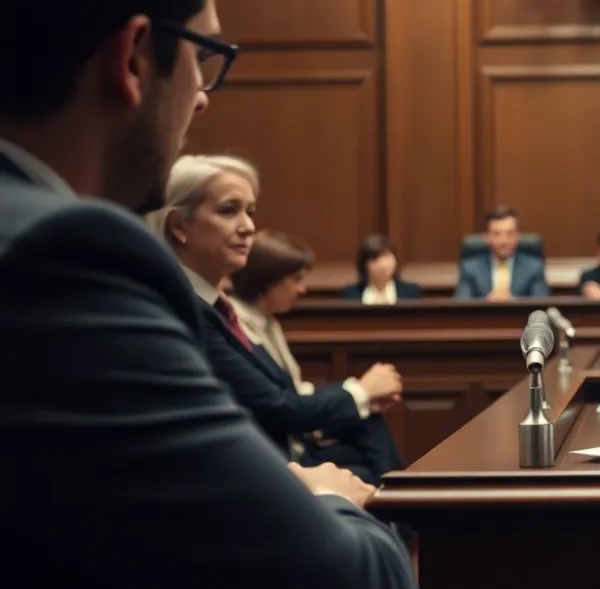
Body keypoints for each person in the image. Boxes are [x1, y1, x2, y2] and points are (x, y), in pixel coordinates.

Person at [0, 0, 418, 589]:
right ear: (134, 58)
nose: (200, 94)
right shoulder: (60, 262)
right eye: (204, 56)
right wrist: (326, 501)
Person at [151, 155, 405, 483]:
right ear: (179, 226)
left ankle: (403, 517)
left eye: (250, 212)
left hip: (274, 462)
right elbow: (275, 407)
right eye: (229, 210)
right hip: (252, 480)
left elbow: (279, 389)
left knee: (369, 441)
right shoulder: (185, 309)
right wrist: (360, 391)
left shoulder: (215, 306)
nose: (249, 227)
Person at [230, 230, 405, 476]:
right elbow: (283, 405)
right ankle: (398, 503)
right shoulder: (239, 326)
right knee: (365, 473)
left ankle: (398, 499)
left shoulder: (267, 321)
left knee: (370, 420)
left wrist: (363, 394)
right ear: (269, 281)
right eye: (297, 279)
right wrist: (361, 391)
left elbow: (295, 389)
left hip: (299, 435)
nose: (303, 289)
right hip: (278, 454)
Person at [455, 205, 549, 299]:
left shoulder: (533, 267)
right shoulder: (470, 268)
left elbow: (541, 306)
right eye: (496, 234)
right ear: (486, 236)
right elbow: (461, 306)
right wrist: (487, 303)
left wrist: (511, 301)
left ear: (518, 235)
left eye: (510, 233)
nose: (503, 241)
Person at [339, 234, 422, 303]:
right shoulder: (350, 294)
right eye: (375, 259)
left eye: (386, 257)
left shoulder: (411, 292)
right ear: (364, 264)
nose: (382, 265)